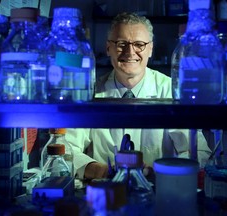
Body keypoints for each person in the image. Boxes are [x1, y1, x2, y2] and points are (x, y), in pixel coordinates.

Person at [65, 12, 212, 181]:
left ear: (150, 49)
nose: (130, 52)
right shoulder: (88, 93)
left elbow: (199, 151)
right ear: (108, 48)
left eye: (139, 44)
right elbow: (65, 148)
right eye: (121, 44)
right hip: (105, 193)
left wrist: (160, 172)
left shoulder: (171, 91)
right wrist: (103, 171)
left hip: (161, 192)